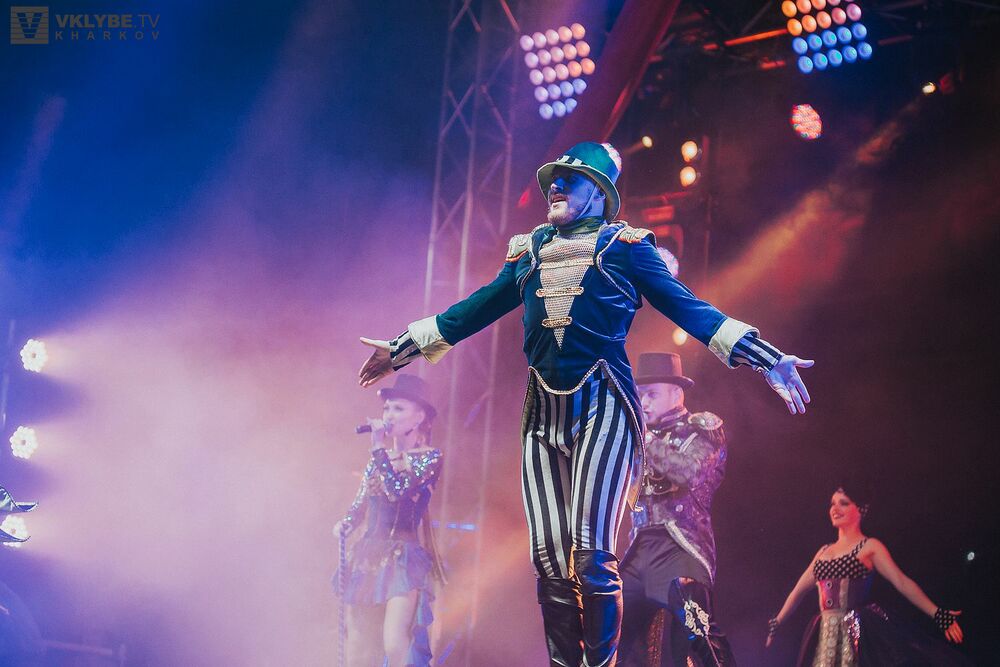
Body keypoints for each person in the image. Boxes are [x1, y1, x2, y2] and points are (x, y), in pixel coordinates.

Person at [358, 141, 813, 667]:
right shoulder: (529, 249)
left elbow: (689, 309)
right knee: (549, 559)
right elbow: (476, 307)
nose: (555, 185)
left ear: (598, 191)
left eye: (569, 180)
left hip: (605, 406)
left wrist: (764, 356)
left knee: (592, 553)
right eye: (554, 179)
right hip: (541, 411)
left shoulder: (626, 247)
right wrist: (402, 348)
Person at [766, 484, 971, 666]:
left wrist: (937, 613)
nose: (835, 509)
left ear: (861, 509)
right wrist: (777, 622)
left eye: (843, 503)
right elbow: (798, 591)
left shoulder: (869, 546)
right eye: (832, 504)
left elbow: (901, 582)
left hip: (857, 634)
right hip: (824, 633)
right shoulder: (823, 551)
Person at [618, 352, 735, 666]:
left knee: (698, 631)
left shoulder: (702, 429)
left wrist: (643, 438)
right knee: (610, 635)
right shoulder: (636, 438)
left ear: (676, 393)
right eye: (640, 395)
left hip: (681, 547)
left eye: (652, 394)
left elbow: (689, 471)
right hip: (638, 549)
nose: (643, 403)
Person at [333, 374, 445, 667]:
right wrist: (346, 523)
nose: (389, 415)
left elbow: (397, 491)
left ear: (419, 417)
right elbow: (360, 503)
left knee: (394, 642)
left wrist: (377, 448)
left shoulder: (429, 458)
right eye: (386, 409)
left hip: (403, 558)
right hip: (367, 555)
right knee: (357, 647)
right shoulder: (378, 458)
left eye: (398, 408)